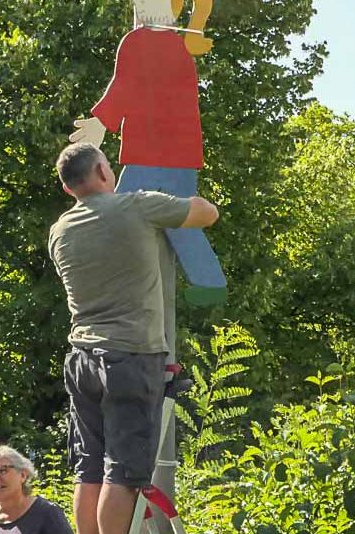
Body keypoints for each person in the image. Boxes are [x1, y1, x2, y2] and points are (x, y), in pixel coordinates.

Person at [49, 142, 219, 534]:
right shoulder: (136, 204)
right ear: (105, 171)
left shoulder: (60, 229)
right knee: (121, 475)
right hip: (130, 358)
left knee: (88, 470)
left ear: (68, 187)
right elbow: (206, 213)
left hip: (82, 358)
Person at [69, 0, 225, 306]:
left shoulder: (138, 41)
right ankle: (210, 282)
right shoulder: (179, 48)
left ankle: (117, 283)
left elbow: (124, 86)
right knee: (179, 220)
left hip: (149, 154)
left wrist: (102, 121)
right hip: (180, 155)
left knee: (117, 216)